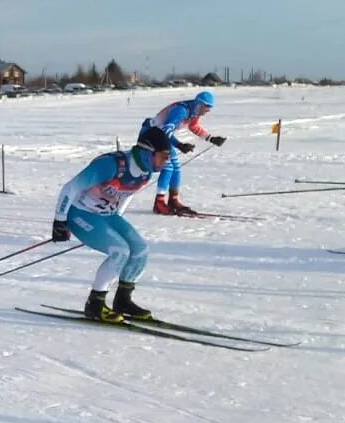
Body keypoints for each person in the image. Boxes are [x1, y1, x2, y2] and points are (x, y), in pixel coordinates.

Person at [53, 126, 171, 321]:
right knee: (120, 251)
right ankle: (95, 304)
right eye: (162, 156)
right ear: (147, 152)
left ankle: (123, 301)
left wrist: (115, 220)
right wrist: (59, 221)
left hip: (106, 215)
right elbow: (70, 187)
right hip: (79, 213)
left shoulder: (145, 172)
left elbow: (126, 193)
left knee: (140, 250)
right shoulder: (111, 165)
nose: (165, 162)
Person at [140, 90, 223, 216]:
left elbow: (194, 127)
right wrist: (179, 145)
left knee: (176, 167)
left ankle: (173, 200)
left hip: (160, 135)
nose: (208, 111)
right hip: (150, 134)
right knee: (167, 166)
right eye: (207, 107)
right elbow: (166, 129)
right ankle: (159, 202)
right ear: (200, 104)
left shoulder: (193, 112)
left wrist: (211, 138)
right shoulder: (181, 111)